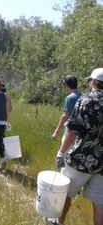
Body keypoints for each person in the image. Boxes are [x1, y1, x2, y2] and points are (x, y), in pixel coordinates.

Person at [45, 68, 103, 225]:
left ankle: (59, 222)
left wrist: (61, 152)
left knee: (65, 193)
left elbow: (71, 132)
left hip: (81, 158)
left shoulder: (86, 100)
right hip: (102, 164)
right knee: (99, 202)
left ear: (93, 82)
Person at [51, 76, 83, 167]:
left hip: (70, 131)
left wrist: (56, 132)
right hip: (82, 132)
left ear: (67, 85)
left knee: (64, 156)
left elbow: (65, 116)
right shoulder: (83, 96)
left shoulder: (70, 98)